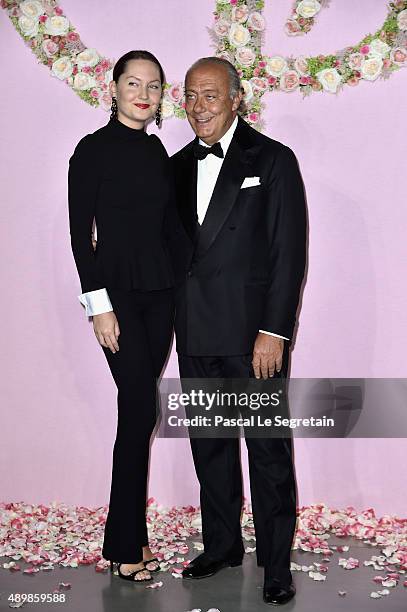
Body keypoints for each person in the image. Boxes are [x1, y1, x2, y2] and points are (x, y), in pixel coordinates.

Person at [171, 57, 307, 605]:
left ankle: (276, 565)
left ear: (235, 99)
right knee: (211, 448)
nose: (199, 106)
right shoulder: (176, 165)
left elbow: (288, 251)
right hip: (195, 330)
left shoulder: (272, 160)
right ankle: (222, 545)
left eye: (210, 94)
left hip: (254, 340)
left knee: (268, 452)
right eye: (190, 95)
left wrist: (274, 330)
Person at [68, 50, 180, 583]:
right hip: (117, 302)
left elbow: (171, 232)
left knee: (141, 413)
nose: (143, 92)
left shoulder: (159, 152)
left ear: (161, 96)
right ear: (111, 89)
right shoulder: (91, 152)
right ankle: (124, 544)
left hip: (161, 299)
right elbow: (79, 236)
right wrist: (99, 307)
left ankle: (129, 538)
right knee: (137, 410)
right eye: (133, 82)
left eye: (154, 85)